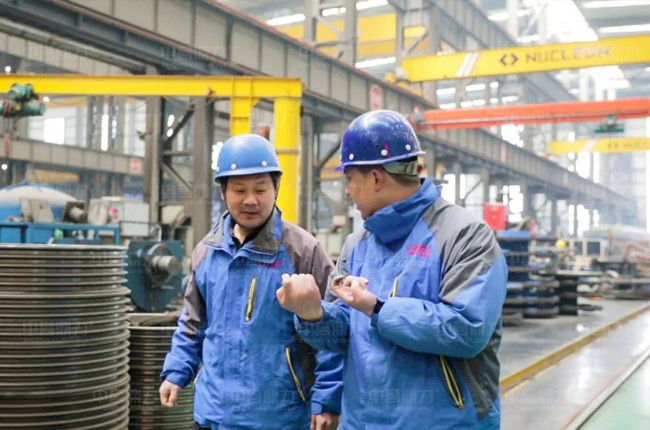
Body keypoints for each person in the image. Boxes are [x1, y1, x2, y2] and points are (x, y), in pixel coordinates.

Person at [277, 110, 508, 429]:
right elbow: (345, 337)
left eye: (349, 179)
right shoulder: (357, 245)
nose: (347, 191)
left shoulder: (465, 236)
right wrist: (312, 314)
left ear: (375, 178)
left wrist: (377, 308)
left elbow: (467, 330)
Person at [160, 134, 342, 430]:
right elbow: (193, 323)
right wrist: (176, 371)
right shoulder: (207, 252)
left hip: (278, 417)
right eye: (239, 190)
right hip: (214, 413)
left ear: (276, 189)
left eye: (260, 189)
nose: (250, 200)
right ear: (223, 192)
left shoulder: (302, 251)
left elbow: (333, 332)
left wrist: (327, 399)